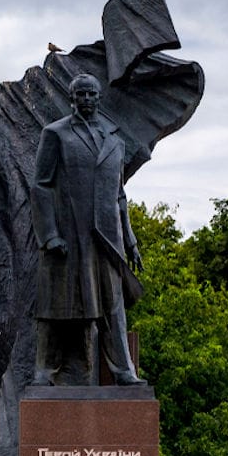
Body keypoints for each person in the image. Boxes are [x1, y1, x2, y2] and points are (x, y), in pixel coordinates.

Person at [30, 72, 147, 387]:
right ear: (72, 98)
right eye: (80, 94)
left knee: (113, 306)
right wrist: (50, 235)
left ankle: (124, 370)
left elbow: (119, 196)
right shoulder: (55, 134)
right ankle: (45, 370)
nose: (86, 99)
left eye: (91, 94)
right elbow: (41, 186)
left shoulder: (115, 140)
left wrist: (131, 241)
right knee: (58, 303)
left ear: (99, 97)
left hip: (108, 239)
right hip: (70, 233)